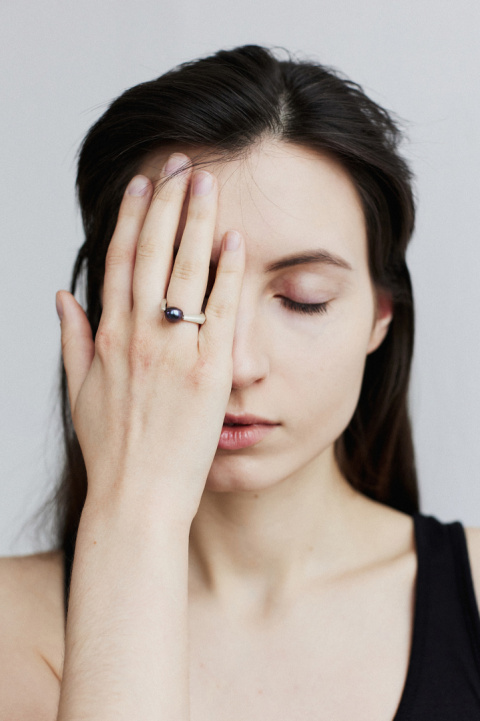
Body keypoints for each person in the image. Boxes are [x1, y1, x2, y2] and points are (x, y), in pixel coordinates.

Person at [1, 43, 480, 720]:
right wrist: (139, 513)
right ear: (109, 310)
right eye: (179, 290)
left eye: (304, 298)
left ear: (380, 315)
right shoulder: (10, 627)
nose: (234, 362)